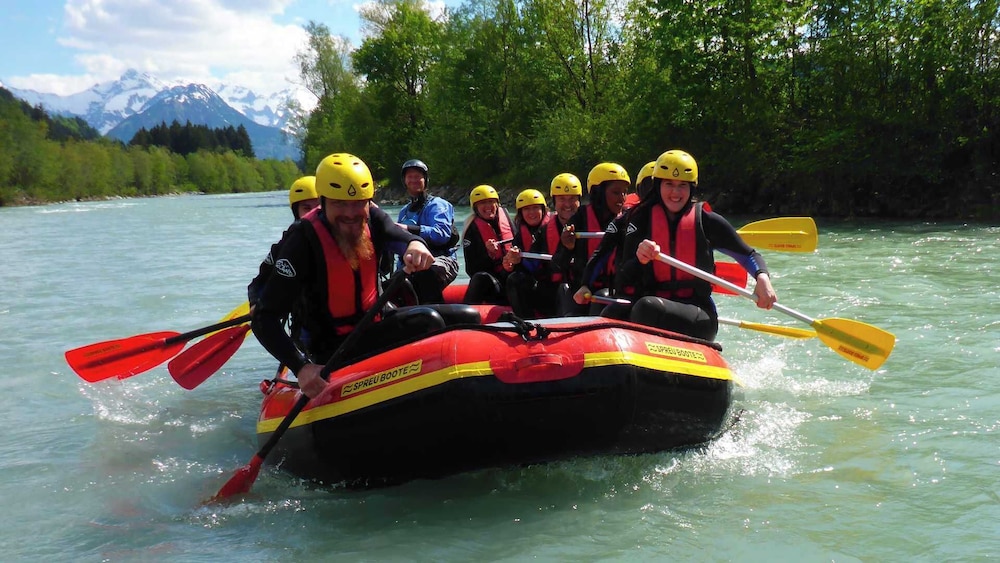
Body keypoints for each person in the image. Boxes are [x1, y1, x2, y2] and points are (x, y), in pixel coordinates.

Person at [252, 153, 441, 398]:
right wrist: (301, 367)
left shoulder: (372, 217)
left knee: (463, 316)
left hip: (374, 323)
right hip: (331, 346)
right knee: (429, 321)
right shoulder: (302, 240)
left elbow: (400, 236)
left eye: (358, 203)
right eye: (340, 204)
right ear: (323, 202)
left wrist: (415, 244)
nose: (351, 213)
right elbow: (264, 319)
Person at [572, 149, 777, 341]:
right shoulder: (640, 220)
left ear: (691, 187)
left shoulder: (706, 221)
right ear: (658, 185)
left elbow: (748, 254)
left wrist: (762, 278)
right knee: (613, 312)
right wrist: (639, 259)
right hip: (651, 304)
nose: (675, 192)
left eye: (682, 185)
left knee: (646, 308)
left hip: (698, 313)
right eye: (669, 184)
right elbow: (624, 276)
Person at [553, 162, 630, 315]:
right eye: (616, 192)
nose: (622, 198)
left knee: (604, 297)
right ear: (598, 192)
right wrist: (567, 247)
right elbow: (557, 265)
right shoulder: (579, 218)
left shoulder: (628, 220)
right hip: (582, 292)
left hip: (614, 292)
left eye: (625, 192)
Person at [393, 159, 460, 303]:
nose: (413, 180)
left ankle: (434, 313)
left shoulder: (438, 205)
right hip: (412, 264)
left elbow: (441, 234)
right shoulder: (404, 212)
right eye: (410, 177)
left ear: (425, 180)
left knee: (425, 274)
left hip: (441, 260)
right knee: (395, 282)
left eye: (417, 176)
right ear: (404, 181)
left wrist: (408, 229)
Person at [502, 189, 558, 318]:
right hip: (537, 288)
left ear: (543, 210)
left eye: (535, 208)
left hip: (555, 286)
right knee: (514, 279)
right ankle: (526, 321)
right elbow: (521, 271)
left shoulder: (555, 227)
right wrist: (511, 264)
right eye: (526, 209)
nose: (531, 213)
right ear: (521, 213)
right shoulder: (520, 236)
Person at [461, 185, 514, 304]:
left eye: (491, 202)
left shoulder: (509, 222)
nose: (488, 206)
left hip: (512, 280)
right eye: (482, 203)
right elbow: (471, 270)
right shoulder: (471, 231)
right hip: (493, 285)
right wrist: (489, 254)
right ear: (475, 207)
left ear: (497, 204)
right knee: (480, 278)